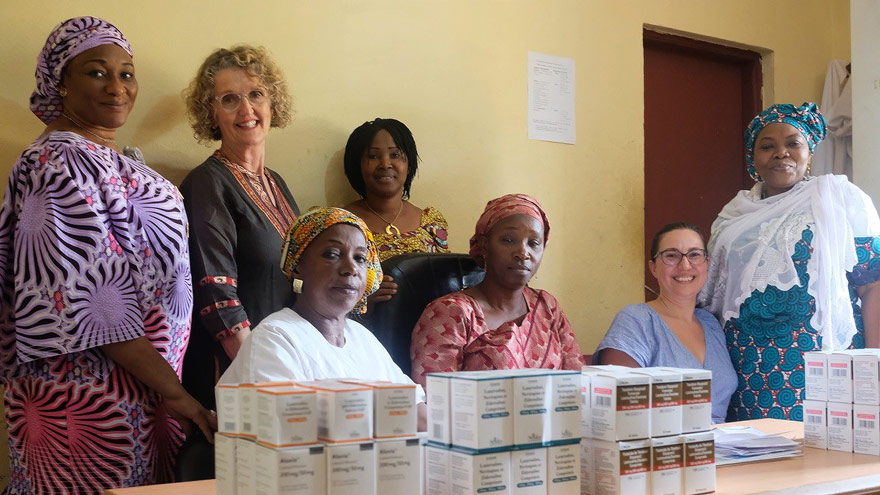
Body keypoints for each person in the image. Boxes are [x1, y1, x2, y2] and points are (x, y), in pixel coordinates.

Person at [0, 17, 215, 493]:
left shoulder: (106, 158)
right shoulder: (54, 164)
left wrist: (168, 391)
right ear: (59, 83)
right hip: (89, 403)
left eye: (127, 72)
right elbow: (93, 304)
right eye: (96, 72)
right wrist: (179, 395)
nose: (117, 86)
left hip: (144, 391)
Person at [701, 102, 880, 421]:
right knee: (756, 456)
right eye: (767, 146)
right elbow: (713, 297)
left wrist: (874, 363)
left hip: (823, 361)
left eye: (793, 144)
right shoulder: (731, 218)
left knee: (825, 457)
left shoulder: (839, 199)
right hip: (748, 365)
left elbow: (872, 285)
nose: (781, 153)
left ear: (809, 153)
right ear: (752, 159)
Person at [179, 45, 300, 411]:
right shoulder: (206, 184)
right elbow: (217, 300)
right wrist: (264, 380)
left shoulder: (277, 183)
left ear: (272, 103)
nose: (247, 110)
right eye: (229, 99)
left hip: (285, 363)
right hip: (239, 374)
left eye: (256, 95)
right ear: (211, 114)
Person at [220, 207, 425, 408]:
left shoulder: (362, 338)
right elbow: (294, 430)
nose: (351, 268)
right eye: (332, 254)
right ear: (298, 267)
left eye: (360, 258)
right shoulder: (275, 338)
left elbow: (414, 406)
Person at [410, 193, 583, 387]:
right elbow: (436, 399)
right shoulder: (450, 313)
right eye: (508, 240)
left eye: (534, 243)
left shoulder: (547, 307)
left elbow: (577, 384)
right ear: (484, 245)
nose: (523, 253)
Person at [595, 223, 737, 423]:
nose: (685, 265)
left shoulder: (711, 324)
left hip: (726, 448)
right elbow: (624, 411)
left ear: (707, 263)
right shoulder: (636, 320)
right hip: (664, 448)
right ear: (653, 267)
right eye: (671, 255)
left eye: (694, 255)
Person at [343, 118, 449, 305]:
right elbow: (325, 291)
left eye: (395, 155)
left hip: (429, 328)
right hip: (363, 331)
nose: (385, 164)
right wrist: (363, 299)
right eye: (373, 156)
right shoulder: (342, 223)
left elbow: (447, 284)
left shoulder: (431, 223)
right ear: (357, 165)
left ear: (409, 164)